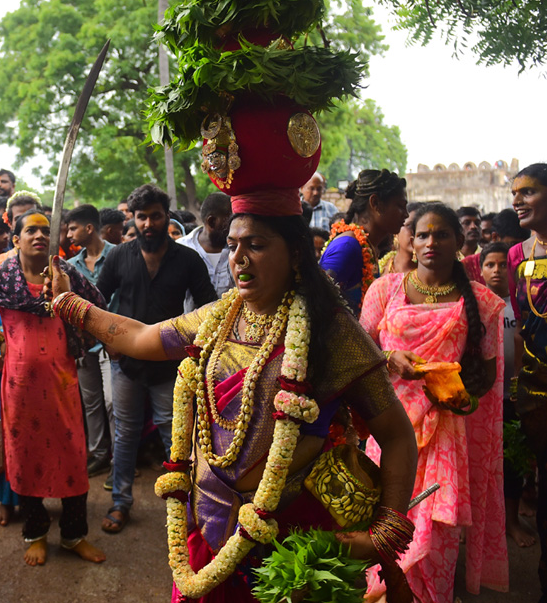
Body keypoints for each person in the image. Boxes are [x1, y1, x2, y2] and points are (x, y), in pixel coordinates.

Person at [46, 194, 418, 602]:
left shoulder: (332, 330)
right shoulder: (221, 316)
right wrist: (69, 303)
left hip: (289, 541)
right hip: (206, 523)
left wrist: (385, 532)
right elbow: (141, 336)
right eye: (232, 245)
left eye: (255, 245)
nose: (238, 258)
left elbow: (397, 434)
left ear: (295, 253)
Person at [360, 203, 508, 603]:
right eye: (422, 234)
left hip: (445, 435)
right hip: (390, 430)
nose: (430, 242)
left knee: (436, 536)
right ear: (410, 238)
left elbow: (488, 377)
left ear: (459, 242)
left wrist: (453, 391)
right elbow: (358, 353)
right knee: (385, 526)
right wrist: (389, 359)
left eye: (441, 234)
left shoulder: (481, 300)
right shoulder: (384, 289)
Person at [0, 210, 108, 567]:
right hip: (18, 386)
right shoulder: (1, 275)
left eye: (45, 230)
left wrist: (69, 306)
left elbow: (97, 306)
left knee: (73, 456)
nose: (39, 235)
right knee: (26, 456)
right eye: (30, 230)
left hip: (63, 382)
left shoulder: (66, 273)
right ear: (15, 239)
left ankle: (74, 535)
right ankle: (35, 534)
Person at [93, 184, 218, 533]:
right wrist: (107, 340)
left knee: (175, 434)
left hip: (171, 366)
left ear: (167, 217)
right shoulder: (118, 256)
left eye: (156, 216)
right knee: (125, 434)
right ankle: (120, 503)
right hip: (126, 366)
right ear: (133, 219)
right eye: (142, 217)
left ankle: (191, 507)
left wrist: (194, 346)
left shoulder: (187, 259)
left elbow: (209, 304)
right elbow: (100, 301)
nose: (148, 224)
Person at [507, 163, 547, 601]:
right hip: (539, 397)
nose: (517, 200)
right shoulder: (518, 256)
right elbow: (521, 330)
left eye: (529, 192)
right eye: (514, 192)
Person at [479, 241, 536, 548]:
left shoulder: (523, 305)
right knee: (478, 461)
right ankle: (470, 525)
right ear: (481, 269)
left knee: (513, 461)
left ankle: (511, 522)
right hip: (482, 398)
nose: (497, 271)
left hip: (513, 396)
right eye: (490, 265)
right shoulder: (473, 305)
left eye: (503, 265)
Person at [65, 204, 118, 478]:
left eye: (73, 228)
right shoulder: (70, 267)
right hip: (83, 342)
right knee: (92, 402)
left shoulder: (117, 255)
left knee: (112, 401)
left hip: (113, 341)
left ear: (88, 228)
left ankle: (118, 459)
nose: (69, 234)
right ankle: (98, 454)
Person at [319, 169, 408, 316]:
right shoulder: (347, 247)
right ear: (375, 203)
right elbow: (318, 306)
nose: (406, 214)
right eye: (400, 206)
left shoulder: (367, 246)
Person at [177, 192, 234, 313]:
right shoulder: (181, 249)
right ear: (212, 222)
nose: (234, 226)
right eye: (230, 221)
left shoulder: (240, 249)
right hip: (190, 329)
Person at [377, 202, 422, 276]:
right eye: (410, 225)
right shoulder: (378, 268)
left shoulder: (434, 273)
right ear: (396, 230)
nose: (416, 232)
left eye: (422, 228)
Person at [457, 206, 486, 283]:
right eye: (467, 223)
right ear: (457, 228)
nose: (473, 227)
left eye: (477, 223)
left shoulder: (487, 256)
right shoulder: (449, 258)